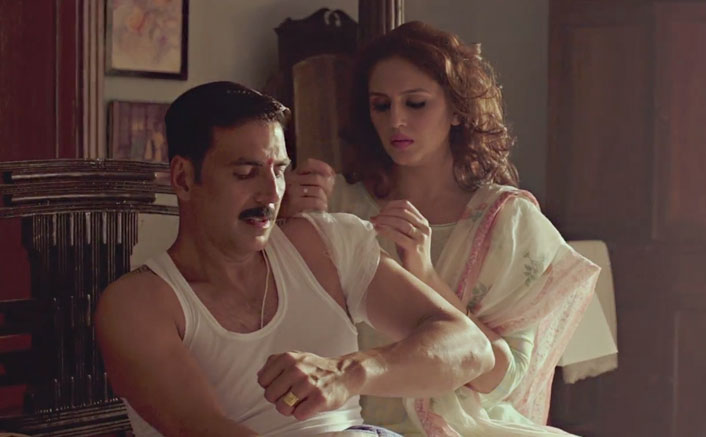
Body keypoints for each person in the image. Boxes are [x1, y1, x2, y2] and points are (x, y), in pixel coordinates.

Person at [95, 81, 497, 437]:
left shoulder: (327, 243)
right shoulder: (138, 305)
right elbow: (200, 429)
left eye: (279, 171)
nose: (272, 193)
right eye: (246, 172)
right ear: (184, 178)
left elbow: (471, 349)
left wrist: (348, 373)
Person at [282, 21, 600, 436]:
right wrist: (289, 222)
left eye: (416, 103)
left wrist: (426, 275)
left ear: (456, 110)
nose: (396, 120)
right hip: (346, 422)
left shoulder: (507, 220)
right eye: (381, 105)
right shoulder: (336, 203)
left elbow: (503, 379)